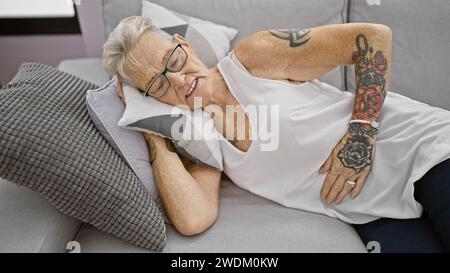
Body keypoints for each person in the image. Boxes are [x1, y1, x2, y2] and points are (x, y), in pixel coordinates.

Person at [103, 16, 450, 252]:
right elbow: (194, 218)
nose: (179, 80)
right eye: (159, 83)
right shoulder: (200, 141)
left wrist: (360, 134)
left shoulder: (252, 59)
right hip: (374, 212)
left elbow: (373, 38)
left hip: (423, 151)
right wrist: (149, 132)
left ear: (184, 44)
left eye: (173, 61)